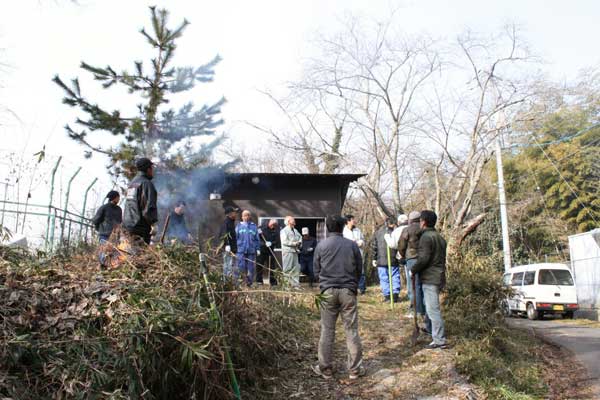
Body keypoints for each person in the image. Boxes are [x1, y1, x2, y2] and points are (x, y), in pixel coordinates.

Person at [312, 215, 364, 380]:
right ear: (342, 227)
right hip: (348, 291)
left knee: (327, 330)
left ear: (327, 227)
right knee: (351, 330)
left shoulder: (321, 245)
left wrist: (324, 282)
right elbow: (359, 269)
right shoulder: (352, 245)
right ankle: (354, 369)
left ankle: (325, 368)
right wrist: (352, 283)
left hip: (327, 291)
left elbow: (316, 270)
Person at [411, 210, 448, 349]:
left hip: (431, 277)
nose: (419, 223)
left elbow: (424, 258)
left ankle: (439, 340)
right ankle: (431, 331)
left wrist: (413, 270)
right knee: (429, 307)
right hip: (438, 275)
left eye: (420, 220)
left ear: (424, 222)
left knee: (433, 309)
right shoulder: (439, 237)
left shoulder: (426, 238)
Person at [123, 157, 158, 244]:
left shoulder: (132, 183)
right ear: (148, 169)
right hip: (141, 228)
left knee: (130, 255)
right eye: (152, 168)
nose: (153, 171)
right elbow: (148, 206)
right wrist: (153, 224)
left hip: (128, 225)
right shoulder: (146, 183)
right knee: (141, 254)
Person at [399, 211, 427, 321]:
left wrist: (403, 255)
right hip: (424, 259)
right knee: (423, 284)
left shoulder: (407, 230)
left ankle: (416, 310)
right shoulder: (424, 229)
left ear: (410, 220)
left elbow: (401, 245)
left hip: (411, 259)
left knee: (413, 286)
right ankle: (424, 310)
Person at [372, 217, 401, 303]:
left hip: (381, 260)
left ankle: (388, 296)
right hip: (393, 259)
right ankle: (395, 295)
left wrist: (374, 258)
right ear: (392, 224)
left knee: (384, 278)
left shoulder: (378, 233)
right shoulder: (395, 232)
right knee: (394, 276)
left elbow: (374, 246)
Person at [235, 210, 260, 286]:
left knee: (250, 268)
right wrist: (233, 247)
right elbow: (235, 238)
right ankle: (239, 283)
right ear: (242, 217)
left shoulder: (253, 226)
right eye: (245, 215)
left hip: (251, 251)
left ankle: (249, 283)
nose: (246, 217)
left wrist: (258, 248)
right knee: (240, 267)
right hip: (240, 250)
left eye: (248, 215)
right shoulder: (238, 226)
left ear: (250, 217)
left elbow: (257, 239)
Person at [343, 215, 366, 294]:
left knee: (361, 271)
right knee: (349, 272)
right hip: (348, 255)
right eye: (352, 219)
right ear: (348, 221)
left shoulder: (357, 230)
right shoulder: (344, 231)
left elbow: (363, 240)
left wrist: (361, 243)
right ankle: (350, 288)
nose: (354, 221)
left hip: (359, 253)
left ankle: (361, 289)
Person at [256, 219, 281, 286]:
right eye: (272, 225)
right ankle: (259, 281)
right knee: (260, 265)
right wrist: (264, 243)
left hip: (270, 251)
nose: (273, 226)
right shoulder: (262, 229)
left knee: (272, 267)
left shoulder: (276, 230)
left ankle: (273, 282)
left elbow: (277, 241)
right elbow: (257, 239)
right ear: (269, 223)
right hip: (262, 250)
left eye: (274, 225)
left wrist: (271, 243)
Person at [280, 215, 302, 288]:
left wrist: (299, 242)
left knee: (296, 268)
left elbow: (300, 237)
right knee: (287, 268)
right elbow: (284, 241)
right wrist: (294, 243)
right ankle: (286, 285)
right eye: (292, 219)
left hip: (295, 251)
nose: (294, 220)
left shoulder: (295, 230)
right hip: (287, 252)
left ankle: (295, 285)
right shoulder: (284, 231)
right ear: (288, 221)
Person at [219, 206, 238, 280]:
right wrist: (227, 245)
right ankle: (226, 282)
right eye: (234, 212)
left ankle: (230, 281)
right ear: (229, 214)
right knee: (227, 266)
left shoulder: (231, 222)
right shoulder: (226, 222)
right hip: (228, 250)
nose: (236, 214)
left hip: (233, 249)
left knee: (232, 266)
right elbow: (223, 234)